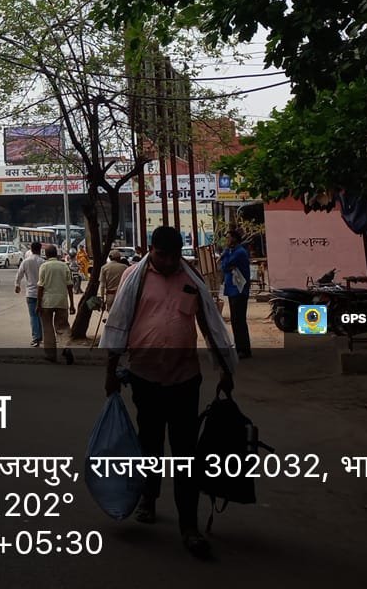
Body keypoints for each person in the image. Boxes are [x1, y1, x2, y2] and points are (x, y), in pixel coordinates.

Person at [101, 225, 237, 560]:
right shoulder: (133, 278)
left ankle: (188, 527)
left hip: (184, 379)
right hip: (145, 377)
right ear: (151, 249)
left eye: (174, 255)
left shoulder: (192, 280)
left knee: (186, 455)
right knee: (150, 445)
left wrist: (225, 371)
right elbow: (119, 321)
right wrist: (110, 372)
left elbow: (210, 326)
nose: (167, 261)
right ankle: (148, 498)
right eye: (162, 254)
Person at [37, 245, 76, 363]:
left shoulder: (44, 266)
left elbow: (40, 287)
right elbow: (70, 286)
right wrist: (72, 304)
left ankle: (51, 355)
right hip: (62, 301)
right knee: (63, 326)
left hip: (47, 302)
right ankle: (66, 347)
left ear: (47, 254)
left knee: (47, 328)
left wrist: (38, 304)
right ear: (56, 254)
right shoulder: (64, 266)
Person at [220, 227, 253, 359]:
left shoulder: (239, 252)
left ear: (234, 239)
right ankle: (240, 347)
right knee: (235, 320)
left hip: (239, 290)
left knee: (239, 320)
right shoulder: (232, 251)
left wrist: (226, 255)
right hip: (232, 290)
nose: (226, 240)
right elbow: (224, 267)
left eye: (228, 237)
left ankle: (244, 349)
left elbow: (227, 264)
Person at [14, 241, 45, 347]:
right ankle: (42, 336)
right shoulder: (43, 262)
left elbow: (19, 274)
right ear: (40, 249)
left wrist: (17, 285)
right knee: (41, 315)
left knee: (33, 316)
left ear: (31, 249)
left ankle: (36, 338)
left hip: (31, 293)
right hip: (42, 294)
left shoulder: (26, 261)